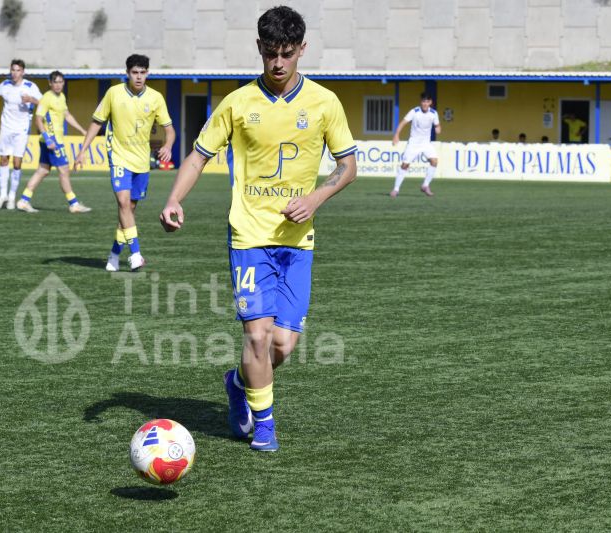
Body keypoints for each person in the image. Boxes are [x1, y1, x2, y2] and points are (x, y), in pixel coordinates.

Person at [159, 5, 357, 452]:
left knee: (282, 346)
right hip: (248, 237)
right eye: (271, 53)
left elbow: (348, 167)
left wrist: (316, 198)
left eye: (287, 53)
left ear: (302, 49)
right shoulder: (238, 103)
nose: (279, 63)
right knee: (257, 334)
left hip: (297, 242)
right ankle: (264, 424)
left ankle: (237, 381)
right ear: (260, 49)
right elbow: (198, 156)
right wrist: (173, 199)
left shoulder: (325, 103)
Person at [74, 54, 175, 271]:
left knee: (128, 210)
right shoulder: (113, 93)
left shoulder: (156, 98)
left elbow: (170, 129)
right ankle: (136, 254)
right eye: (134, 73)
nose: (138, 77)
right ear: (127, 73)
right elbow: (96, 123)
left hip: (142, 162)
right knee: (122, 203)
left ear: (147, 73)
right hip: (118, 157)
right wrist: (82, 151)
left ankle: (113, 255)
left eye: (142, 73)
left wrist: (168, 145)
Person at [16, 71, 91, 214]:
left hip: (50, 141)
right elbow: (38, 119)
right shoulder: (46, 98)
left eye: (60, 82)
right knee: (64, 171)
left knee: (42, 171)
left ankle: (24, 200)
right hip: (52, 141)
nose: (58, 85)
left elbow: (67, 115)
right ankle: (73, 204)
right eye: (55, 82)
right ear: (50, 83)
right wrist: (48, 138)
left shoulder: (61, 97)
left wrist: (82, 130)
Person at [0, 59, 42, 210]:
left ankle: (12, 197)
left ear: (23, 72)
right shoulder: (5, 85)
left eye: (18, 70)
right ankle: (2, 195)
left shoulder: (30, 87)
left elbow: (44, 103)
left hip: (21, 129)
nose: (14, 73)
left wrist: (31, 99)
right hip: (6, 128)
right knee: (3, 160)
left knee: (17, 163)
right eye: (13, 70)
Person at [391, 93, 441, 197]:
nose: (425, 104)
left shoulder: (433, 113)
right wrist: (396, 135)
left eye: (427, 102)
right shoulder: (414, 112)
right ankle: (396, 189)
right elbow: (403, 123)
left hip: (426, 143)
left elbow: (437, 125)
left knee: (434, 161)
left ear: (430, 103)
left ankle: (425, 185)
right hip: (414, 142)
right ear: (421, 102)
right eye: (423, 101)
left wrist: (438, 129)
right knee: (405, 165)